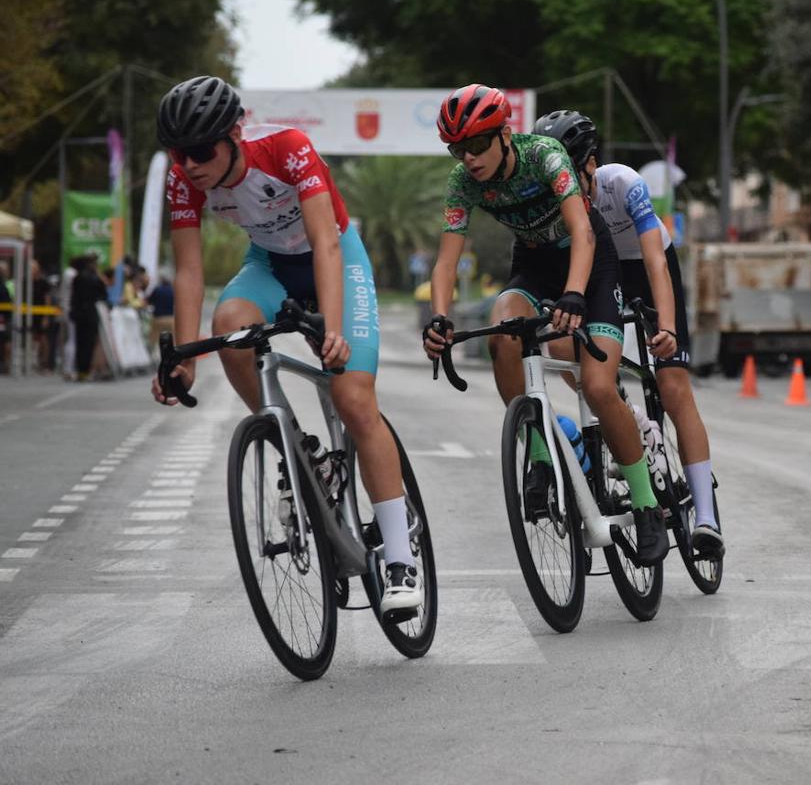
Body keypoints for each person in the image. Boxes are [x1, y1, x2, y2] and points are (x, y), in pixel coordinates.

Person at [151, 75, 422, 619]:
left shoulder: (287, 148)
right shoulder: (184, 181)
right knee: (230, 326)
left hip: (334, 258)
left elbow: (325, 241)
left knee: (354, 399)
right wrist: (183, 358)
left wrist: (334, 330)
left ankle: (399, 557)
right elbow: (189, 270)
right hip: (270, 266)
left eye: (201, 150)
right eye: (179, 154)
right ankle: (303, 452)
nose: (190, 164)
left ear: (234, 133)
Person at [421, 83, 668, 565]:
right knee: (502, 331)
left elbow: (582, 231)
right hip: (533, 263)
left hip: (589, 261)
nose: (468, 158)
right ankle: (540, 453)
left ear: (503, 135)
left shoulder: (546, 156)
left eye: (476, 145)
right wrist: (439, 317)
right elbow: (446, 261)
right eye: (457, 148)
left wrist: (575, 293)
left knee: (598, 387)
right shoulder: (462, 182)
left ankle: (646, 506)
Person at [534, 109, 724, 558]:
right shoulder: (555, 199)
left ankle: (706, 517)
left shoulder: (623, 183)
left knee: (674, 386)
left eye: (570, 174)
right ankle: (629, 417)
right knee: (563, 344)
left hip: (650, 264)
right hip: (604, 272)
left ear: (591, 165)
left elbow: (656, 261)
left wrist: (668, 328)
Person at [69, 254, 107, 381]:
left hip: (79, 314)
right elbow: (103, 293)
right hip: (91, 314)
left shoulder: (77, 278)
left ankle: (80, 370)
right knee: (89, 343)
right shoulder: (94, 278)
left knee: (80, 342)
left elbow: (74, 297)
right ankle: (86, 370)